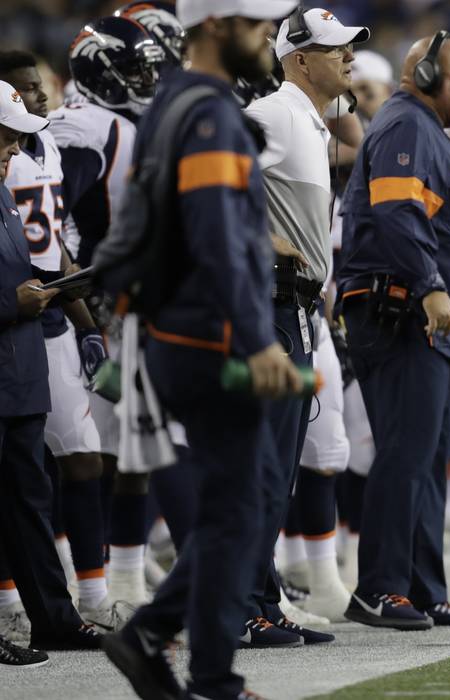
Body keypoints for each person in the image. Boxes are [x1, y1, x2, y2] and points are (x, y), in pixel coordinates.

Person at [100, 1, 306, 697]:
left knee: (232, 508)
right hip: (209, 334)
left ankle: (163, 643)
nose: (270, 38)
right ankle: (205, 671)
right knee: (241, 512)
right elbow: (218, 237)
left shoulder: (169, 102)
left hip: (169, 329)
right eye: (258, 26)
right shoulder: (212, 112)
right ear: (216, 26)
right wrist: (257, 343)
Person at [336, 31, 450, 630]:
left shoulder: (424, 130)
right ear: (427, 76)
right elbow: (397, 211)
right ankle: (378, 588)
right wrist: (430, 285)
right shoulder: (406, 125)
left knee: (428, 454)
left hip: (420, 314)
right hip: (399, 311)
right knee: (405, 451)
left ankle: (424, 587)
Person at [240, 5, 369, 641]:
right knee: (263, 465)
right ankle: (242, 606)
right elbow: (201, 187)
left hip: (295, 306)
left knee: (280, 468)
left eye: (349, 47)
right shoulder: (272, 113)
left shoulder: (308, 122)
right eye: (335, 49)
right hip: (268, 306)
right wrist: (266, 240)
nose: (348, 57)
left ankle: (260, 601)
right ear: (298, 59)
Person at [50, 15, 172, 627]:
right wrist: (82, 296)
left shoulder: (121, 122)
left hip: (125, 309)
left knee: (128, 451)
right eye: (135, 69)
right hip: (91, 311)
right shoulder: (85, 125)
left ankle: (116, 579)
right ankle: (85, 583)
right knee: (86, 450)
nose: (147, 80)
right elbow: (56, 219)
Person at [0, 78, 102, 654]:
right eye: (6, 138)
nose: (14, 150)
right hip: (8, 357)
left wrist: (63, 297)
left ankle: (54, 618)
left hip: (19, 371)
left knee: (29, 502)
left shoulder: (5, 196)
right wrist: (12, 303)